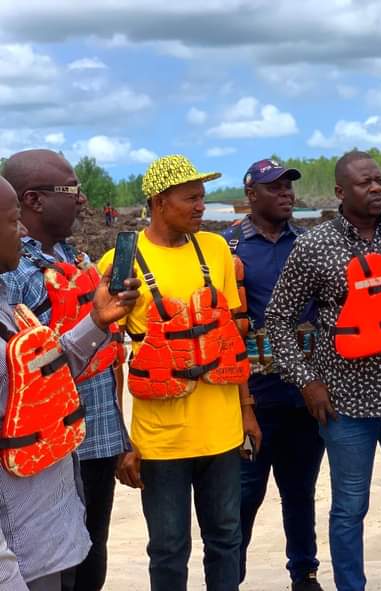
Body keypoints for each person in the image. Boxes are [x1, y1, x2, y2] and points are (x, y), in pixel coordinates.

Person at [265, 150, 381, 591]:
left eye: (379, 180)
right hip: (345, 405)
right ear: (339, 191)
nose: (376, 188)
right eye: (365, 183)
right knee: (349, 508)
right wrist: (306, 381)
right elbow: (278, 319)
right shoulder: (314, 246)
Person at [99, 154, 261, 591]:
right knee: (169, 548)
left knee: (226, 538)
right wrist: (121, 440)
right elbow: (107, 360)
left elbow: (230, 339)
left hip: (222, 433)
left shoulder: (216, 250)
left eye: (202, 197)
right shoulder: (121, 261)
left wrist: (247, 410)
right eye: (191, 198)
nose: (201, 206)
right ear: (159, 202)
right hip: (160, 441)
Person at [0, 174, 140, 590]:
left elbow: (44, 373)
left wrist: (96, 320)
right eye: (12, 220)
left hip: (52, 541)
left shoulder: (5, 307)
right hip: (21, 564)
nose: (21, 230)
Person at [220, 159, 325, 590]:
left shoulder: (308, 244)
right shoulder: (227, 249)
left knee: (300, 493)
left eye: (288, 187)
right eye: (274, 187)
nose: (286, 194)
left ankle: (305, 575)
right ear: (251, 194)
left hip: (305, 395)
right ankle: (230, 577)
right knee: (244, 497)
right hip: (252, 398)